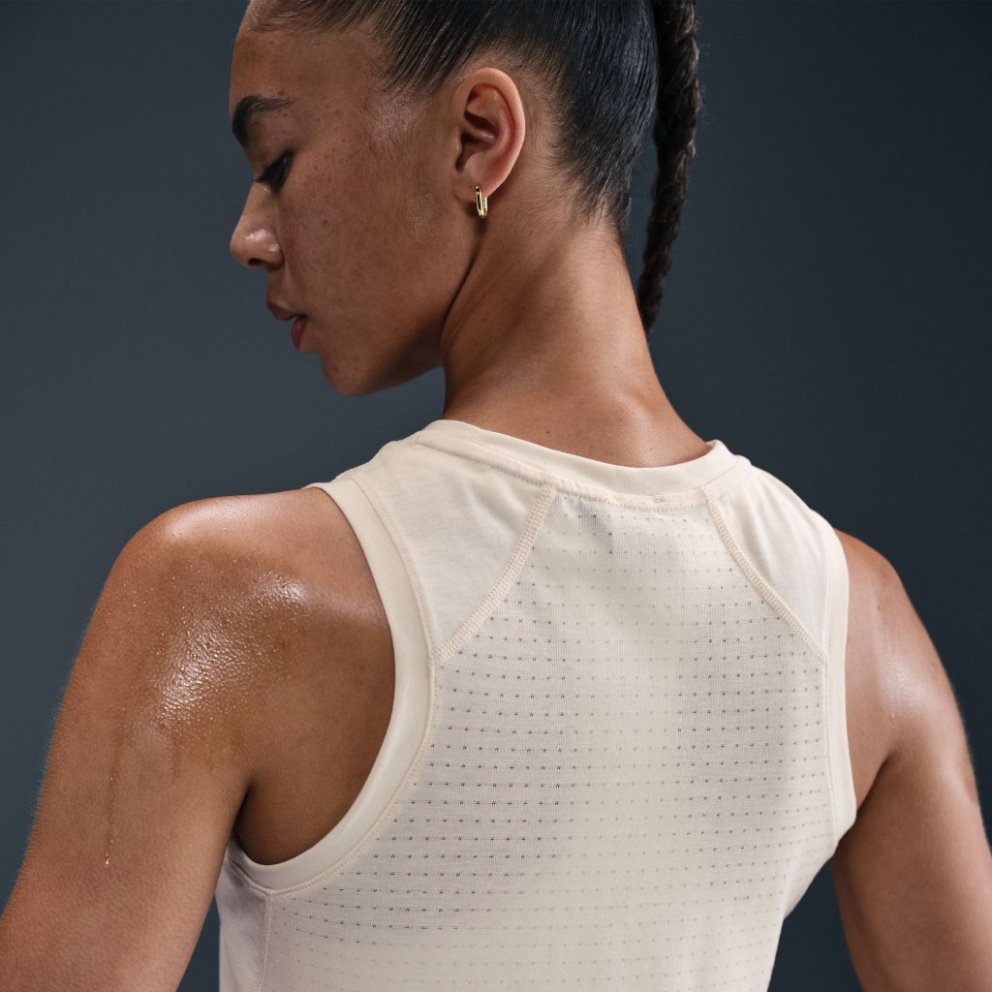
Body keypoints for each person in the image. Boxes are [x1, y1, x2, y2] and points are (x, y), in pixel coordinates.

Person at [1, 0, 990, 989]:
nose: (249, 235)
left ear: (479, 136)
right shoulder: (857, 628)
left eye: (278, 160)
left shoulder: (227, 601)